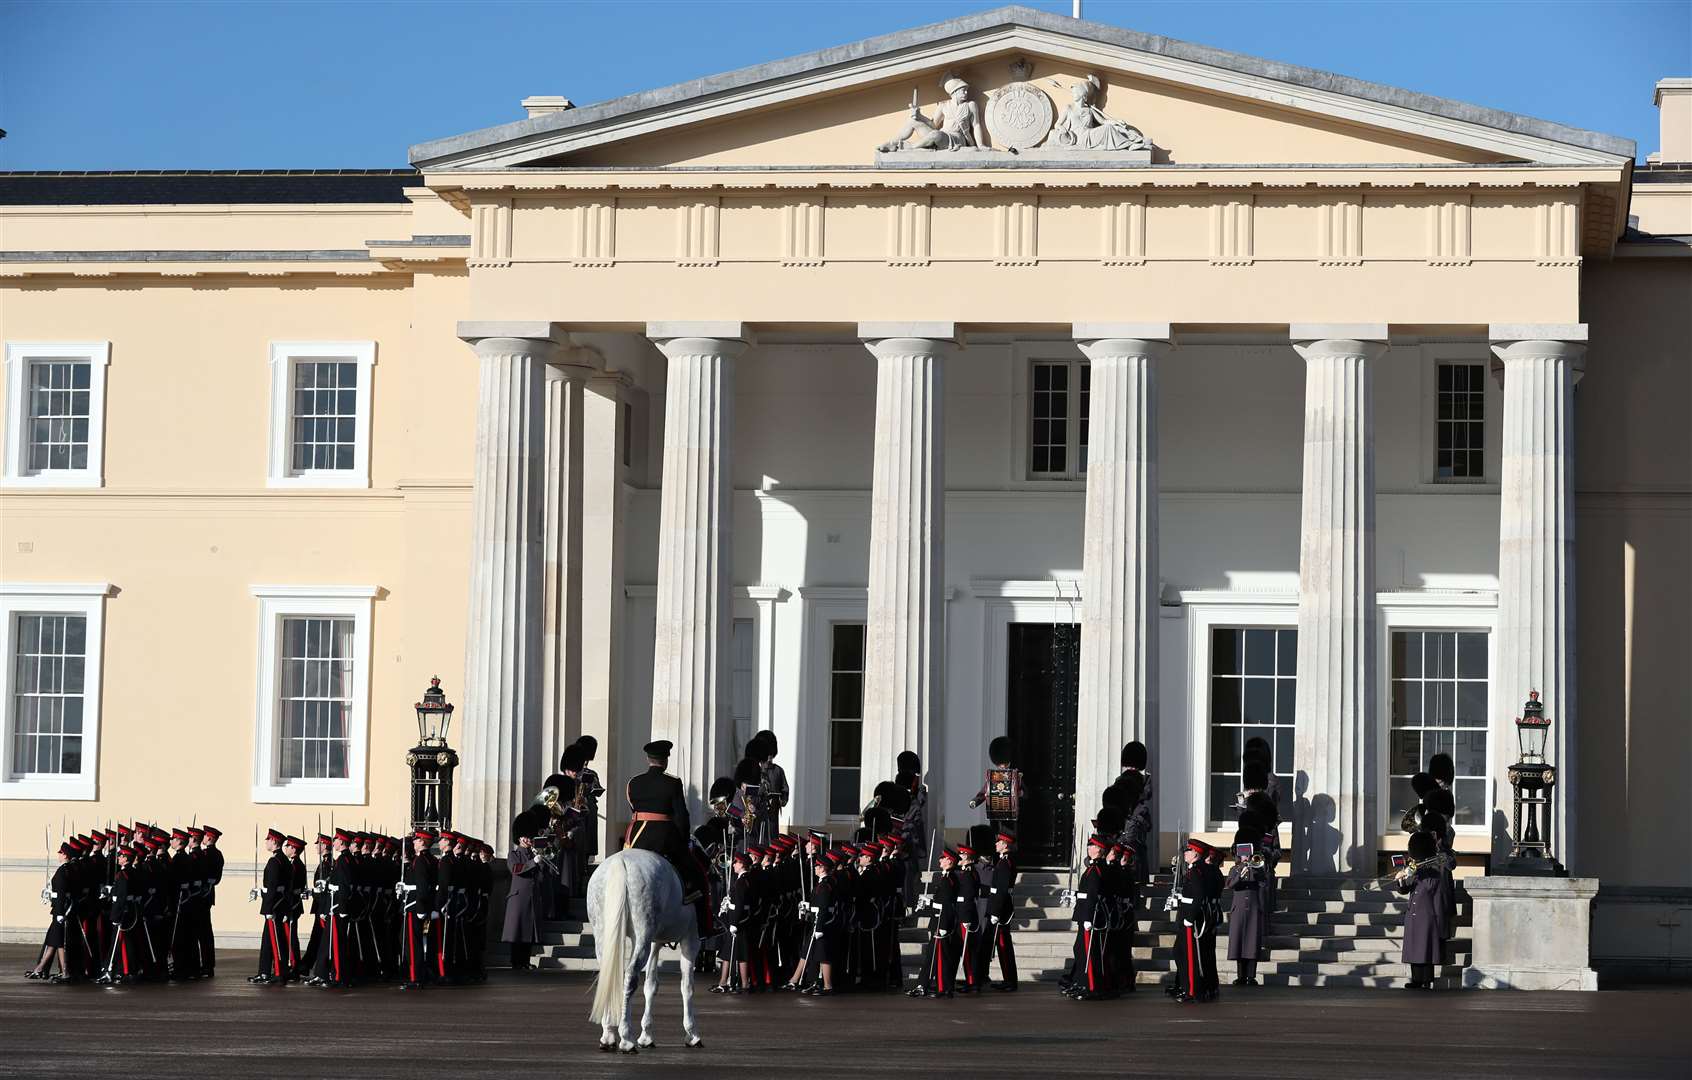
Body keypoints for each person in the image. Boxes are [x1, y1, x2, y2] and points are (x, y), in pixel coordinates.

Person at [625, 739, 713, 934]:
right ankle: (703, 925)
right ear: (665, 761)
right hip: (665, 838)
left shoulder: (633, 783)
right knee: (697, 875)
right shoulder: (673, 783)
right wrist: (683, 840)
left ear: (648, 759)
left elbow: (633, 809)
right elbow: (681, 816)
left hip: (637, 838)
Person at [1397, 830, 1453, 989]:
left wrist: (1415, 873)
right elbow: (1405, 889)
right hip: (1414, 914)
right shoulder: (1416, 867)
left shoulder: (1432, 869)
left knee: (1426, 948)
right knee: (1414, 947)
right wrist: (1402, 879)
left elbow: (1430, 886)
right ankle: (1416, 979)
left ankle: (1427, 979)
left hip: (1427, 914)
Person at [878, 76, 986, 152]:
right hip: (942, 136)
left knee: (935, 134)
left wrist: (980, 145)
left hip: (956, 139)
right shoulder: (943, 106)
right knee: (913, 121)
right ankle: (892, 144)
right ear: (954, 92)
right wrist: (919, 116)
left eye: (966, 90)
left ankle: (910, 148)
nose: (966, 93)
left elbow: (976, 125)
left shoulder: (970, 105)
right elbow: (933, 125)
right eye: (963, 91)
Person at [1172, 838, 1221, 1004]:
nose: (1185, 853)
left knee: (1188, 956)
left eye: (1188, 850)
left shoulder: (1195, 871)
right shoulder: (1202, 870)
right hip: (1201, 915)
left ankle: (1192, 990)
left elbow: (1198, 896)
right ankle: (1202, 988)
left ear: (1195, 853)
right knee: (1198, 954)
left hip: (1192, 918)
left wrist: (1189, 918)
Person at [1062, 834, 1110, 1000]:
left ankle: (1090, 986)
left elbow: (1092, 895)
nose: (1088, 848)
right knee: (1080, 950)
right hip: (1083, 913)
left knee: (1087, 952)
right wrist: (1074, 895)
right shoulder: (1092, 868)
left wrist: (1088, 918)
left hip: (1089, 915)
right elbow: (1085, 894)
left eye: (1091, 846)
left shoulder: (1096, 869)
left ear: (1099, 850)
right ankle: (1083, 983)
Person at [1049, 74, 1150, 151]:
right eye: (1074, 91)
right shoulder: (1069, 108)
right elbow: (1057, 124)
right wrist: (1061, 128)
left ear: (1083, 95)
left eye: (1076, 91)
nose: (1073, 93)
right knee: (1107, 129)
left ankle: (1133, 140)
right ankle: (1129, 144)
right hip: (1078, 137)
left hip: (1089, 134)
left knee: (1109, 127)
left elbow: (1103, 122)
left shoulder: (1090, 110)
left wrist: (1115, 122)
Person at [503, 810, 546, 972]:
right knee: (517, 932)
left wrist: (541, 862)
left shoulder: (532, 853)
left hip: (532, 896)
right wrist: (533, 862)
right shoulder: (514, 854)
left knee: (528, 932)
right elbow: (516, 869)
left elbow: (540, 877)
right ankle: (516, 961)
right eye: (526, 837)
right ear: (520, 838)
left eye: (530, 837)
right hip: (519, 897)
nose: (529, 840)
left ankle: (525, 960)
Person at [1227, 831, 1269, 986]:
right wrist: (1241, 872)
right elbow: (1230, 885)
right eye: (1243, 855)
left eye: (1247, 855)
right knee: (1239, 942)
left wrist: (1256, 870)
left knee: (1252, 942)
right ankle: (1240, 975)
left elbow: (1264, 885)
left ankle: (1251, 976)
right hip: (1238, 909)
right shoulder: (1235, 869)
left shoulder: (1257, 868)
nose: (1245, 857)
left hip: (1252, 908)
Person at [251, 829, 292, 985]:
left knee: (274, 940)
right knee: (269, 940)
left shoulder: (274, 861)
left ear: (274, 842)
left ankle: (278, 973)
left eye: (268, 840)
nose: (266, 842)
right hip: (281, 904)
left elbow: (273, 887)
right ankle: (265, 972)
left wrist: (268, 908)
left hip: (274, 906)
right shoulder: (284, 860)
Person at [984, 830, 1019, 991]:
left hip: (1001, 909)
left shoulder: (1005, 863)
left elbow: (1002, 890)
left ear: (1005, 845)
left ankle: (1010, 981)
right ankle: (982, 976)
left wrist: (996, 913)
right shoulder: (1003, 861)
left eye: (998, 842)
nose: (996, 844)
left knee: (1004, 946)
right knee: (992, 944)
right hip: (997, 906)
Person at [968, 736, 1024, 836]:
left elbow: (1025, 792)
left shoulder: (1016, 775)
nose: (1002, 767)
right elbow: (985, 791)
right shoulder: (993, 776)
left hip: (1011, 817)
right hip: (996, 816)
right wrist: (975, 801)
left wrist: (1020, 793)